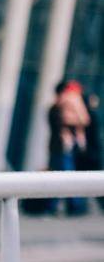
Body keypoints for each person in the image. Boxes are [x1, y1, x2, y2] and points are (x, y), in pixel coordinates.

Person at [47, 78, 90, 218]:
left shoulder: (59, 107)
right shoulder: (59, 108)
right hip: (62, 148)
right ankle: (71, 206)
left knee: (64, 177)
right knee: (64, 177)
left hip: (63, 149)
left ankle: (73, 206)